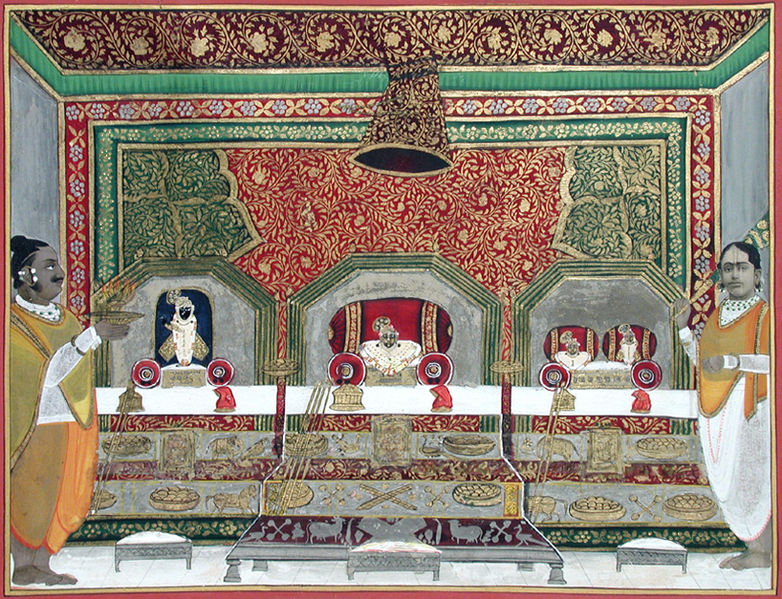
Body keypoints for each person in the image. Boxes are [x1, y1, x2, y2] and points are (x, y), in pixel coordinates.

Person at [9, 235, 129, 585]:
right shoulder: (13, 323)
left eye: (58, 265)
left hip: (71, 422)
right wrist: (91, 337)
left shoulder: (67, 319)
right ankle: (24, 565)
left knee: (66, 496)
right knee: (32, 496)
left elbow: (76, 374)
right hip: (35, 426)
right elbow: (45, 375)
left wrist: (88, 336)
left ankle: (43, 564)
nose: (59, 273)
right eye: (49, 266)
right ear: (25, 274)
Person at [674, 241, 770, 569]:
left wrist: (732, 360)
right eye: (727, 268)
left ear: (757, 275)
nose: (733, 274)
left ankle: (762, 553)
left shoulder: (765, 314)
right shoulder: (719, 315)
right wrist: (685, 328)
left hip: (751, 409)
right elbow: (703, 363)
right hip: (717, 412)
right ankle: (754, 550)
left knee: (754, 480)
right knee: (730, 482)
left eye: (741, 267)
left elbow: (773, 363)